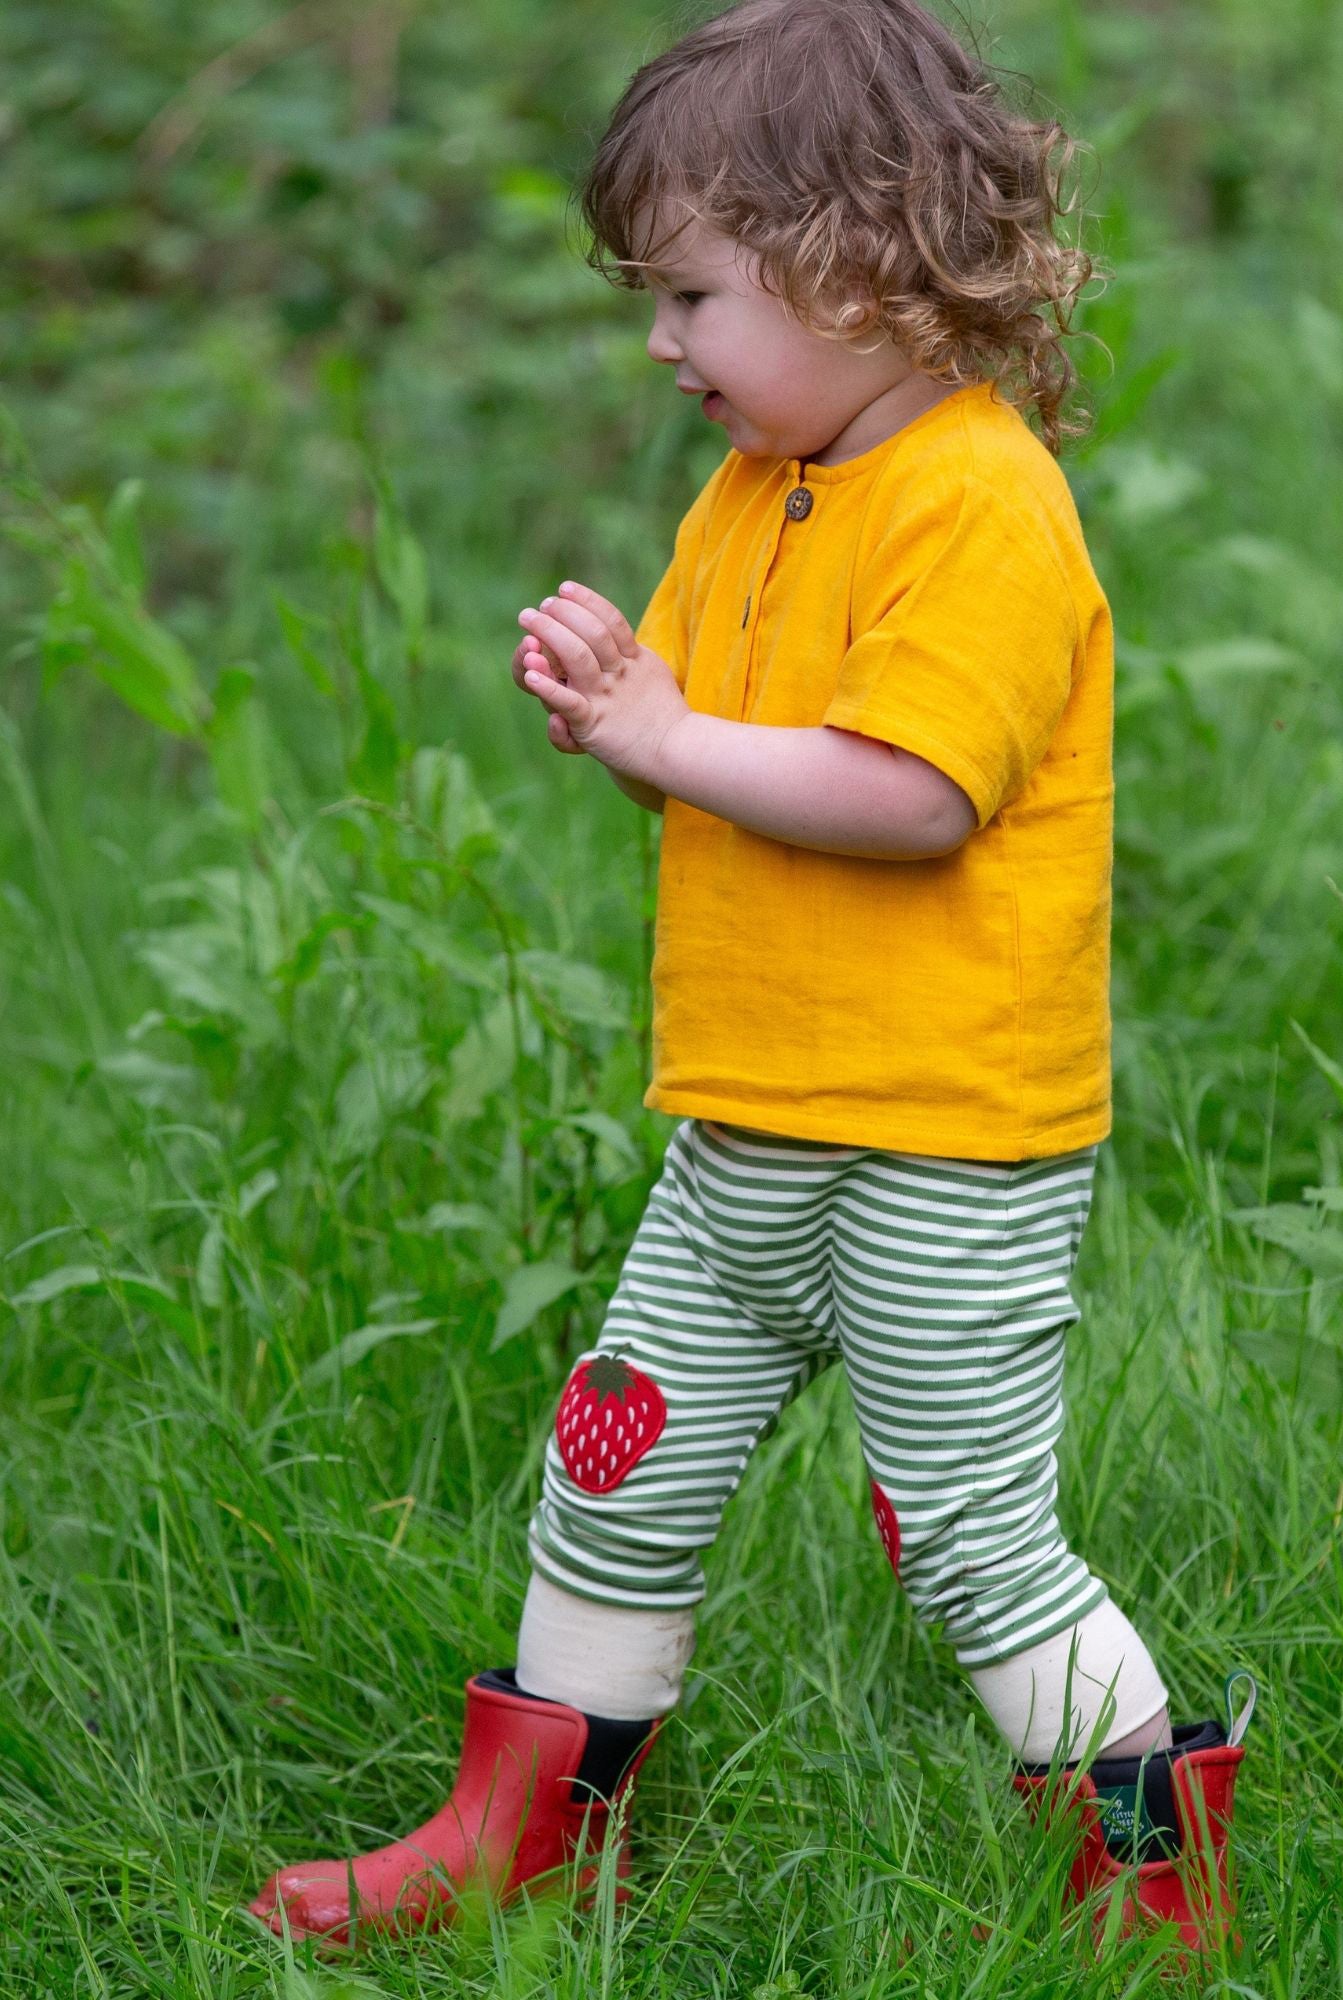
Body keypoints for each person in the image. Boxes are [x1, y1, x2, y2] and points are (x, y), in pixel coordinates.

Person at [249, 0, 1253, 1958]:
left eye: (693, 295)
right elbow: (717, 735)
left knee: (970, 1534)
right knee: (614, 1458)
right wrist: (630, 709)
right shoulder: (758, 491)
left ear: (862, 265)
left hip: (939, 1149)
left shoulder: (979, 504)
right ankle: (528, 1837)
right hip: (747, 1129)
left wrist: (665, 739)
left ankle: (1157, 1873)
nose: (661, 345)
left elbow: (906, 798)